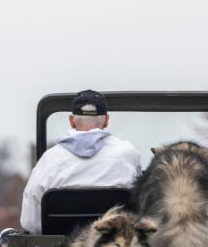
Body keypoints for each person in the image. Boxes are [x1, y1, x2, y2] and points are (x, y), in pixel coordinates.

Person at [20, 89, 141, 233]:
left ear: (71, 121)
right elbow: (139, 205)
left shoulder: (50, 159)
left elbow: (29, 221)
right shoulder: (127, 153)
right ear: (107, 120)